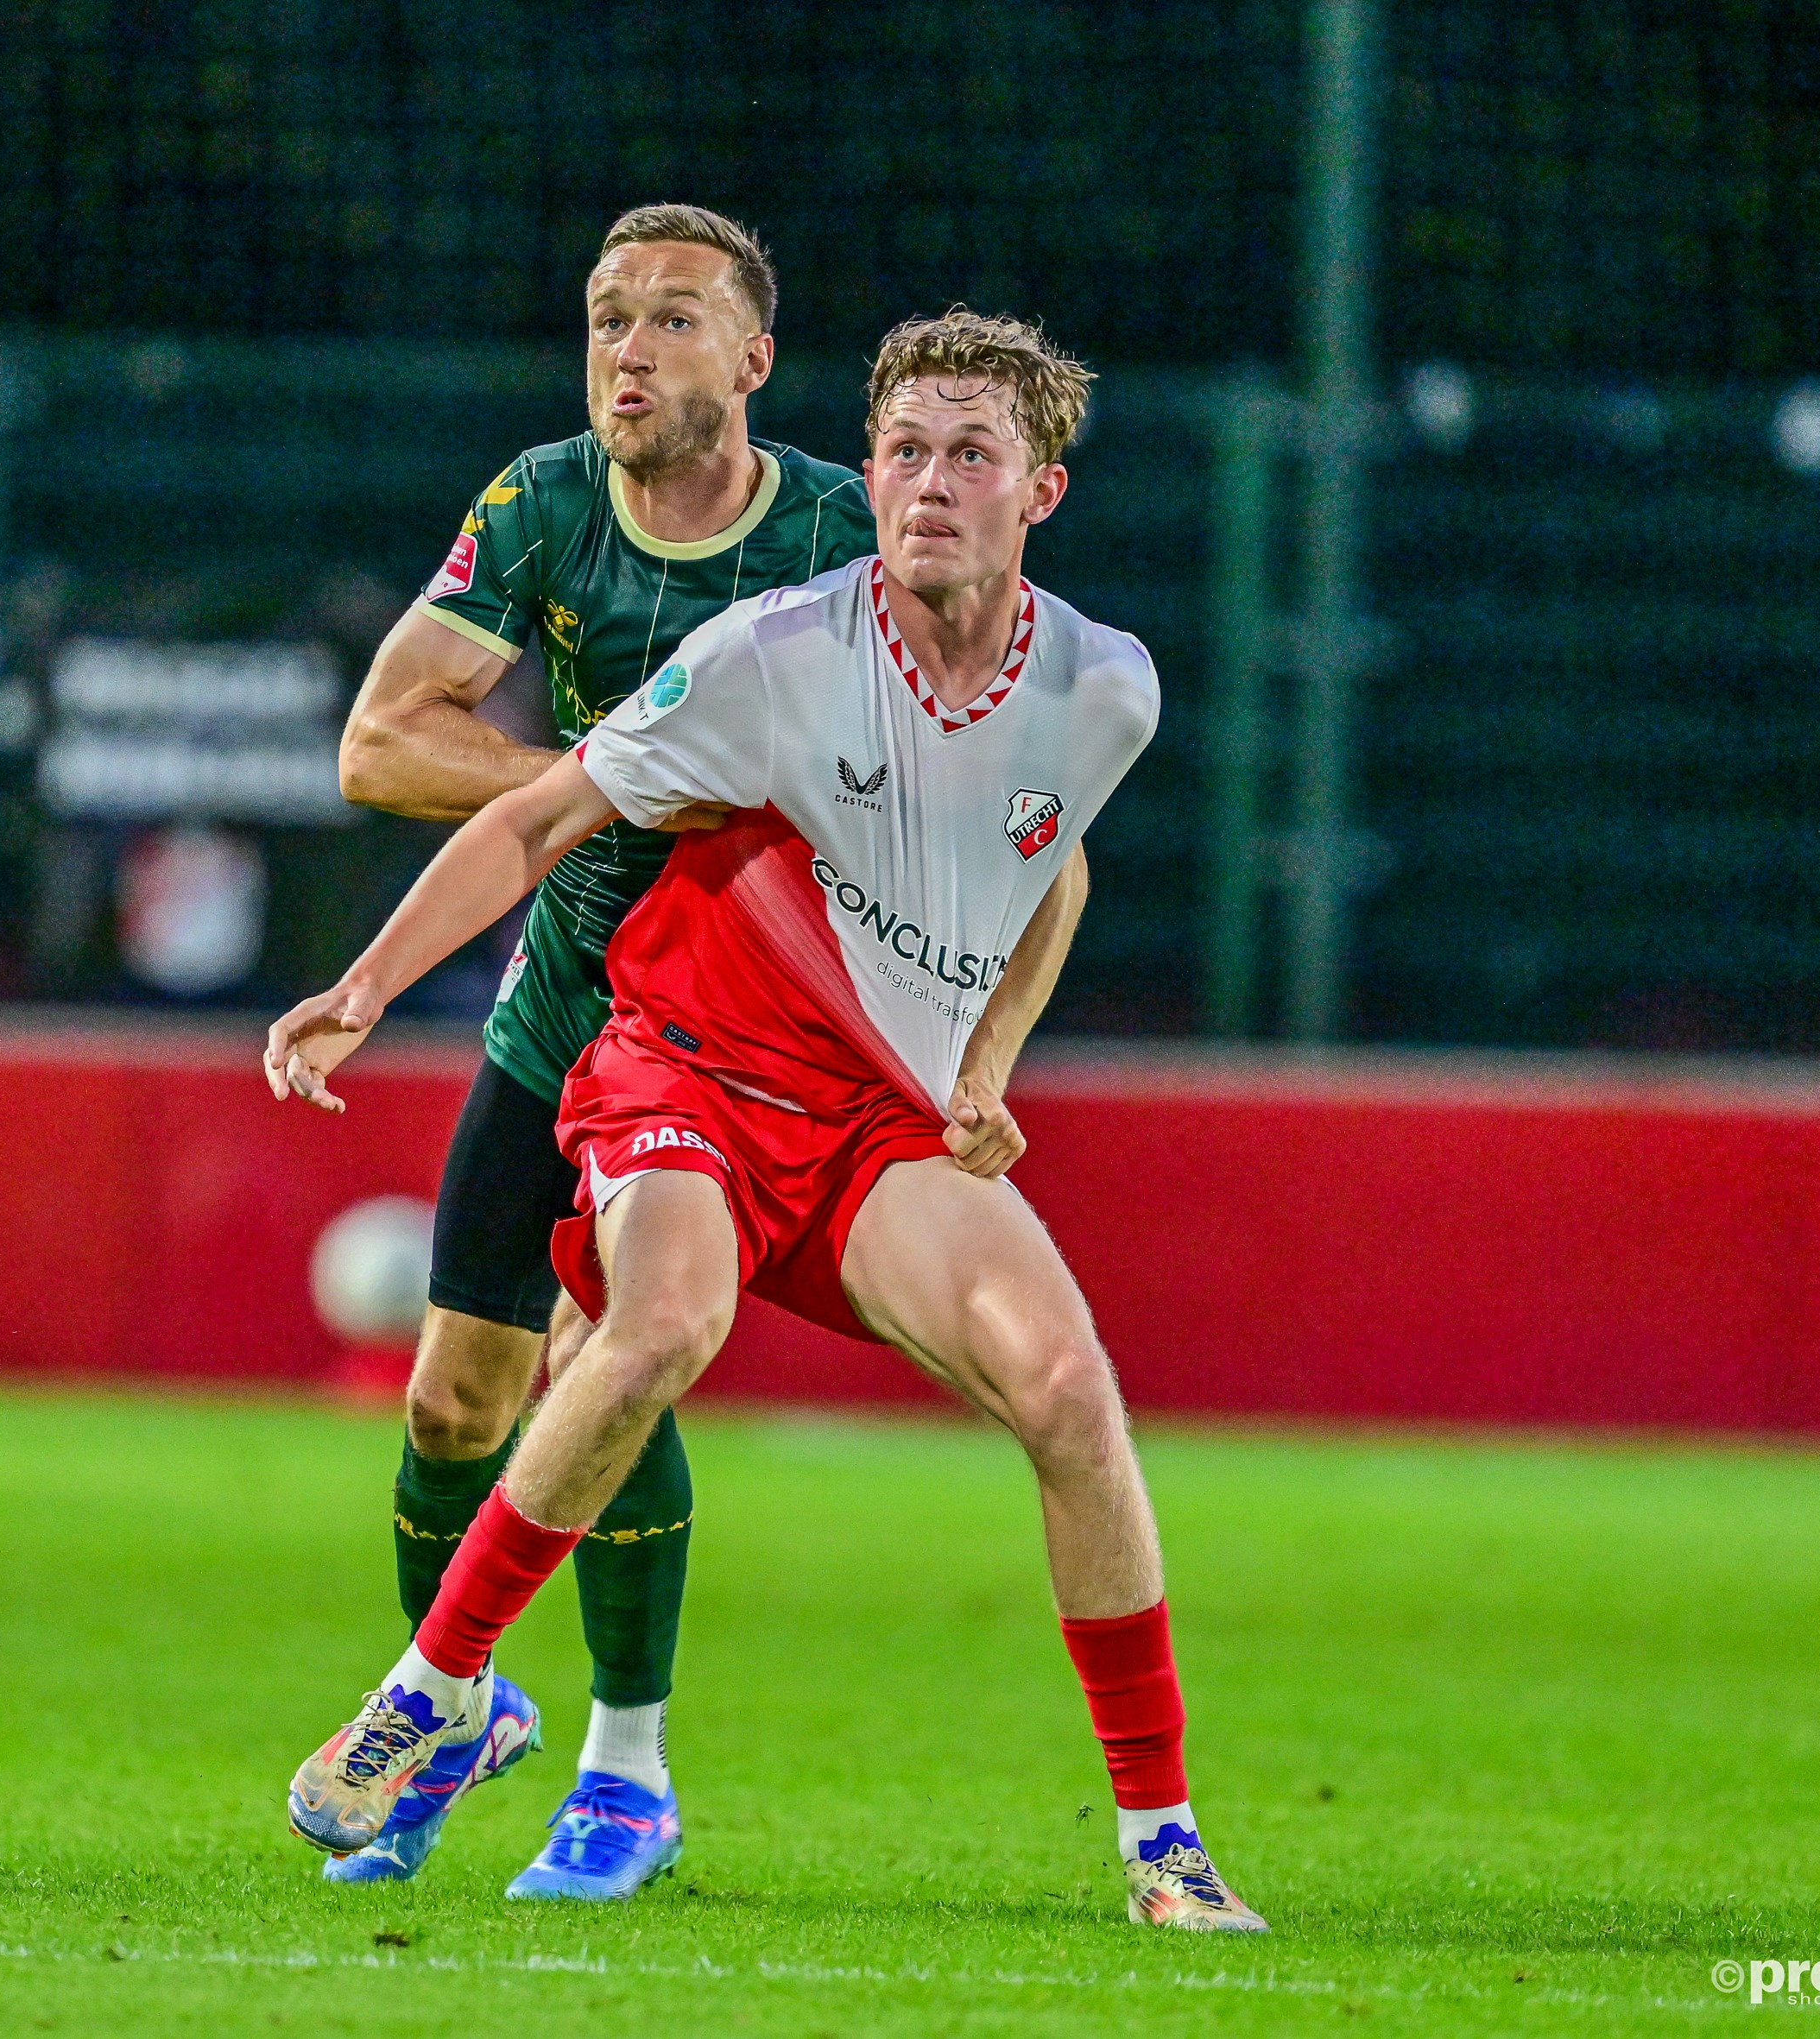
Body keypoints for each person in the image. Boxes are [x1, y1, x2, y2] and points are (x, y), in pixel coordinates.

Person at [269, 310, 1264, 1931]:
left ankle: (1161, 1840)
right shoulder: (775, 654)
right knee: (662, 1320)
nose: (927, 482)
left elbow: (1048, 868)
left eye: (968, 454)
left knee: (1070, 1390)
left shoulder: (1103, 690)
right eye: (901, 451)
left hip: (872, 1124)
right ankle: (434, 1685)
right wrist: (366, 987)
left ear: (1041, 491)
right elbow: (536, 810)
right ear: (864, 472)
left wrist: (986, 1064)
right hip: (686, 1071)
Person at [322, 204, 878, 1897]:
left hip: (718, 1029)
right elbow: (378, 743)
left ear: (753, 360)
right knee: (449, 1398)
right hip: (556, 1002)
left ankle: (623, 1772)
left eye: (672, 320)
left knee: (615, 1351)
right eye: (605, 318)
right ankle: (459, 1707)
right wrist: (608, 778)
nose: (627, 349)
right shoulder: (542, 499)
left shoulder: (841, 534)